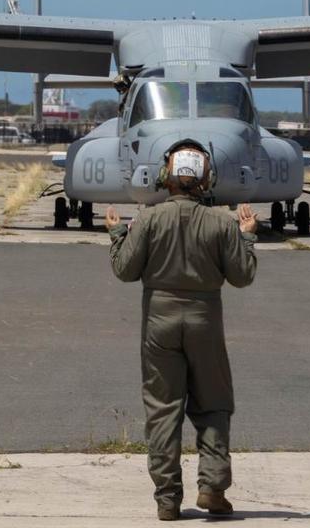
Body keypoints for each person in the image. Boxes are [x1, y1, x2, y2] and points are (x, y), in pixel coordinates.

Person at [104, 142, 258, 521]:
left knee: (162, 409)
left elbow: (125, 270)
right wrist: (247, 235)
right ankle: (212, 487)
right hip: (205, 319)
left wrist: (117, 234)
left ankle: (167, 499)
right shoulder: (223, 222)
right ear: (206, 179)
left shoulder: (150, 219)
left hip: (159, 321)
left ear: (165, 178)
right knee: (213, 405)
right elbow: (242, 276)